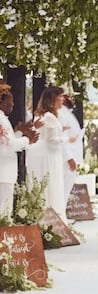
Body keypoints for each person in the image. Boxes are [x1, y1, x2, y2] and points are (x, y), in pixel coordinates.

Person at [26, 86, 77, 222]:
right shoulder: (49, 116)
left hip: (41, 152)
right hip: (48, 154)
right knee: (51, 187)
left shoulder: (42, 115)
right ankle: (52, 222)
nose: (62, 99)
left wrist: (61, 129)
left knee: (45, 186)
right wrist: (69, 139)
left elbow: (46, 133)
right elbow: (52, 140)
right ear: (53, 99)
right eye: (60, 96)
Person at [0, 82, 38, 218]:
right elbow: (9, 145)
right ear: (2, 102)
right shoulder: (1, 119)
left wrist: (20, 134)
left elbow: (6, 142)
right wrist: (28, 139)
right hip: (3, 172)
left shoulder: (3, 119)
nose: (13, 104)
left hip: (5, 172)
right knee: (4, 212)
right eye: (11, 101)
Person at [58, 94, 84, 202]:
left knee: (66, 189)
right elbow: (63, 138)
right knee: (63, 190)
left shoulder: (67, 113)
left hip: (73, 156)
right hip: (67, 159)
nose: (71, 98)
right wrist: (70, 158)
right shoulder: (61, 114)